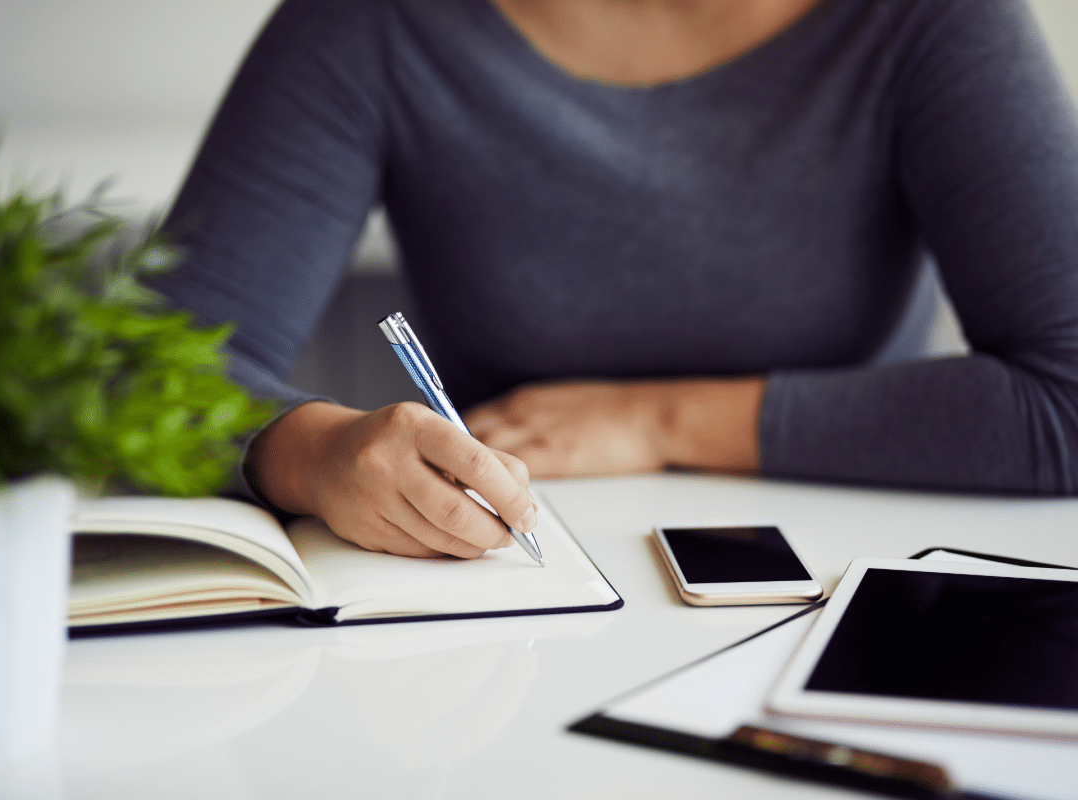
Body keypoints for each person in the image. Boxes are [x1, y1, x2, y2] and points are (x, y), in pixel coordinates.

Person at [154, 0, 1078, 560]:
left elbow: (1066, 396)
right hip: (510, 598)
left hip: (838, 589)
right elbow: (137, 375)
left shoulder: (934, 24)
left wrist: (657, 418)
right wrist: (312, 455)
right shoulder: (366, 28)